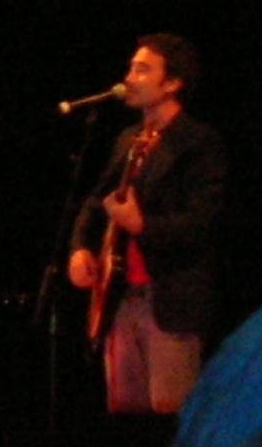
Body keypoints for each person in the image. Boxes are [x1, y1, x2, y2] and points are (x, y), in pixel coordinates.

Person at [67, 33, 226, 421]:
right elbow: (94, 202)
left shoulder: (199, 143)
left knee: (171, 413)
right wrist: (80, 248)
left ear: (172, 83)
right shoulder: (129, 139)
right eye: (131, 68)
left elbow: (200, 224)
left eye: (142, 70)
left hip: (170, 299)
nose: (129, 78)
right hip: (121, 297)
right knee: (126, 413)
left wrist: (141, 225)